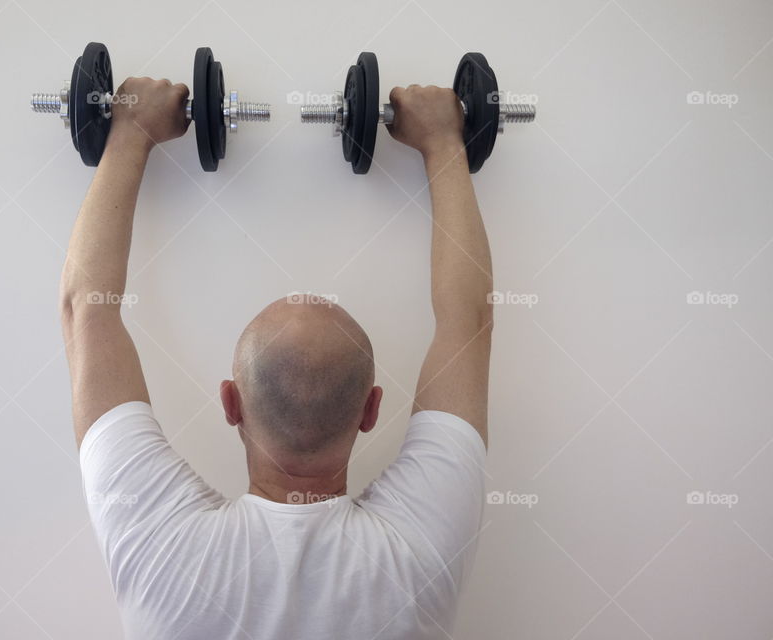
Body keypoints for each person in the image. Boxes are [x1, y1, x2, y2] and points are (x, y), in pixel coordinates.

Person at [60, 75, 493, 639]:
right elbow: (469, 322)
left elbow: (85, 313)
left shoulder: (162, 549)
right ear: (371, 409)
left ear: (230, 402)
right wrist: (442, 141)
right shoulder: (417, 549)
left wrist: (132, 132)